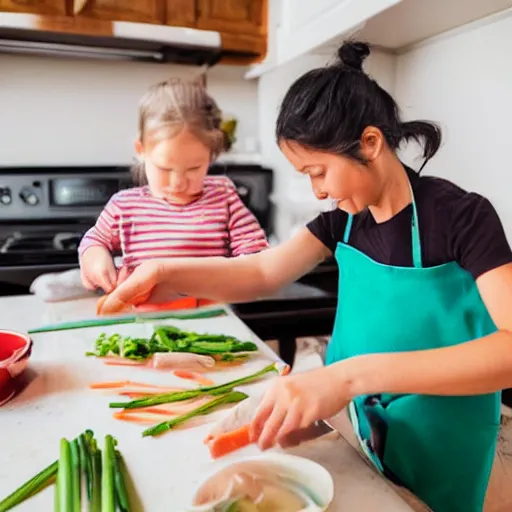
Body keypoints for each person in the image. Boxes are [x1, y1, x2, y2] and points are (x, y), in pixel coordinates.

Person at [96, 42, 512, 512]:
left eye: (318, 171)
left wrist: (348, 378)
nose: (317, 191)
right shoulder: (344, 219)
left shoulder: (461, 217)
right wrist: (164, 272)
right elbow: (261, 271)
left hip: (441, 439)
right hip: (363, 431)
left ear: (370, 143)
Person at [78, 78, 268, 294]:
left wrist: (241, 272)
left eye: (193, 168)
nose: (178, 183)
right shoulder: (124, 206)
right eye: (165, 169)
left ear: (211, 156)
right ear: (141, 150)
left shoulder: (224, 198)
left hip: (211, 315)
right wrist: (96, 259)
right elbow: (94, 241)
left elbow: (256, 255)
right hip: (146, 318)